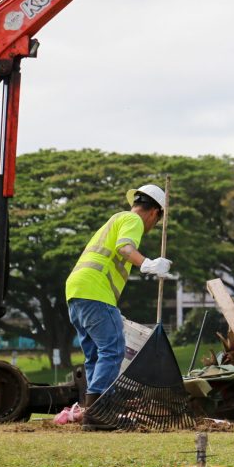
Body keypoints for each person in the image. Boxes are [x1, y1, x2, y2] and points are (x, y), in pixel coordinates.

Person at [65, 184, 173, 430]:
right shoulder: (132, 220)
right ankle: (100, 414)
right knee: (113, 349)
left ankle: (94, 413)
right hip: (95, 292)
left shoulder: (116, 219)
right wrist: (148, 264)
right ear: (155, 213)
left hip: (76, 292)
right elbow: (125, 248)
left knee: (95, 354)